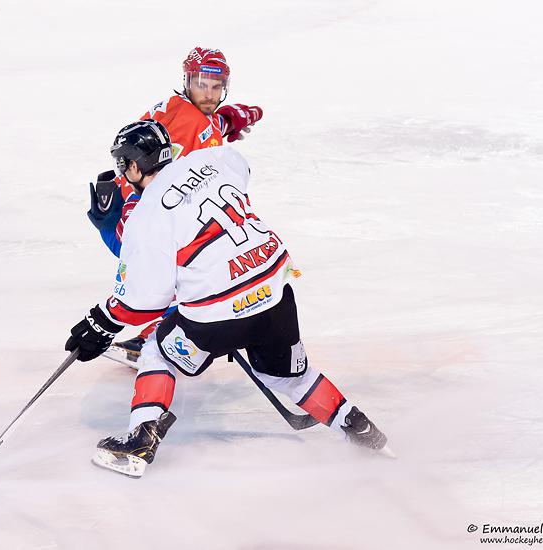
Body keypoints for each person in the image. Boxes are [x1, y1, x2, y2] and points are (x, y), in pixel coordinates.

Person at [65, 120, 391, 478]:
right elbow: (241, 168)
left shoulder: (145, 218)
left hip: (218, 311)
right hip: (274, 288)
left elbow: (144, 301)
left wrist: (99, 323)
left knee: (158, 351)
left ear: (133, 165)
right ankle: (362, 431)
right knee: (289, 377)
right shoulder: (214, 158)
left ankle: (140, 443)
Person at [87, 47, 264, 366]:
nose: (208, 94)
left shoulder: (183, 111)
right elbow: (163, 173)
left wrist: (223, 121)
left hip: (124, 203)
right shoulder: (188, 121)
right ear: (187, 80)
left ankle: (177, 329)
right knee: (186, 264)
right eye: (201, 84)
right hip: (132, 212)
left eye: (216, 86)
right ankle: (158, 338)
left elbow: (193, 134)